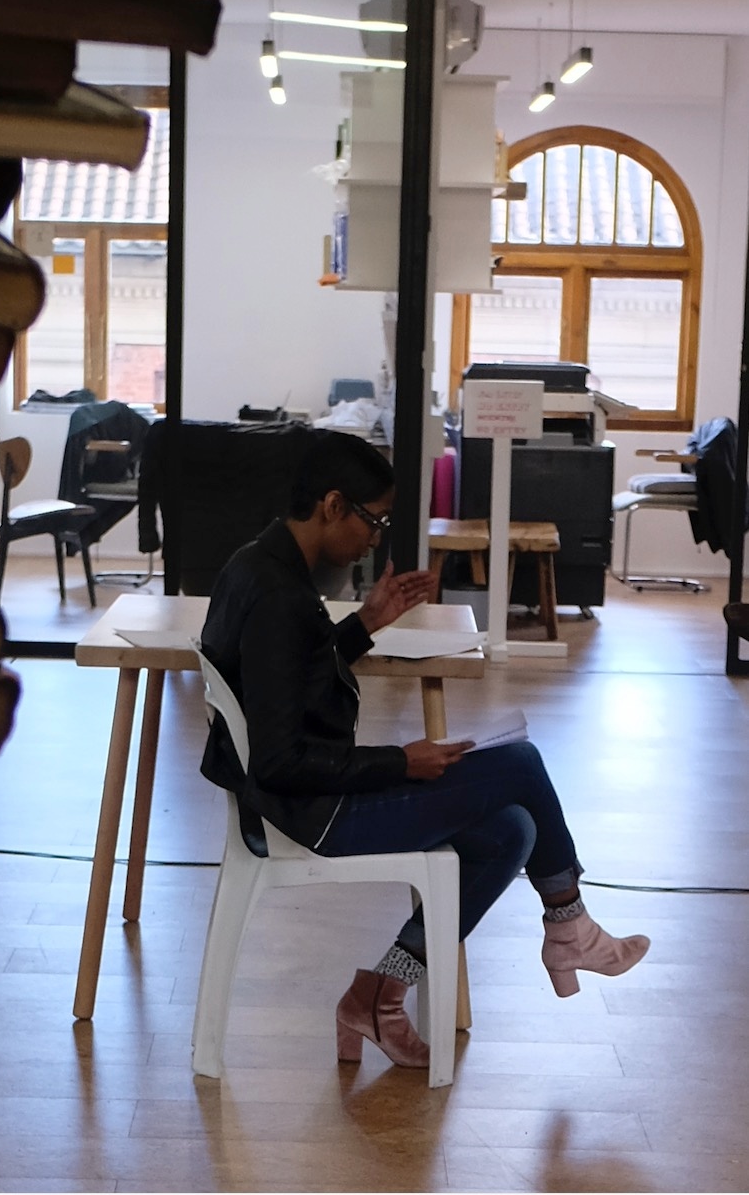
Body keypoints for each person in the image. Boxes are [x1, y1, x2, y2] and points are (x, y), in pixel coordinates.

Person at [198, 430, 649, 1069]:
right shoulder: (279, 595)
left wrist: (364, 624)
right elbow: (280, 758)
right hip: (309, 810)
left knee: (511, 831)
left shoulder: (258, 564)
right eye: (373, 519)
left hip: (297, 798)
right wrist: (400, 761)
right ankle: (569, 924)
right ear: (333, 505)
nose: (376, 536)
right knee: (519, 763)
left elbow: (290, 680)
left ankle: (380, 992)